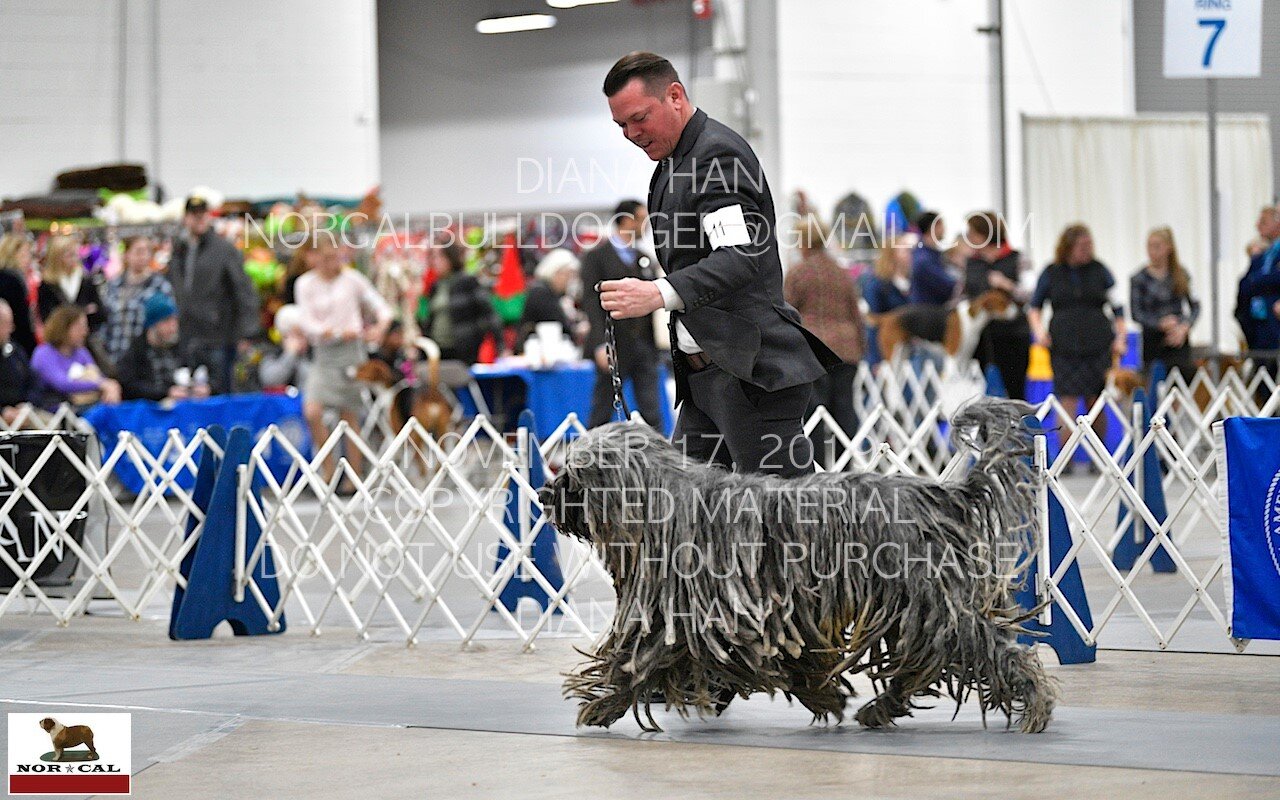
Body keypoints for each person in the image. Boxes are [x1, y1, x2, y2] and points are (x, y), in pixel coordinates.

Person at [598, 51, 840, 477]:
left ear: (675, 95)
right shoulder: (672, 165)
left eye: (639, 118)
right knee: (688, 521)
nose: (631, 134)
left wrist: (656, 293)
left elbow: (739, 256)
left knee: (785, 523)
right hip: (706, 381)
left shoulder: (716, 156)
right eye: (621, 126)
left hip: (750, 376)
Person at [295, 237, 392, 486]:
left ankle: (354, 477)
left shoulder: (353, 280)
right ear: (315, 257)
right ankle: (328, 472)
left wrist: (380, 327)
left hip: (351, 354)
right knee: (312, 411)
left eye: (337, 257)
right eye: (327, 258)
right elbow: (306, 321)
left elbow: (382, 307)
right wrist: (332, 331)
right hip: (324, 355)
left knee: (350, 416)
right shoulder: (305, 284)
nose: (333, 263)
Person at [1028, 224, 1126, 446]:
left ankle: (1099, 454)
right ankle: (1065, 457)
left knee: (1097, 400)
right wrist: (1039, 332)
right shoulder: (1051, 272)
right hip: (1063, 344)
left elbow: (1118, 307)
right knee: (1067, 400)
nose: (1087, 250)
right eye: (1082, 246)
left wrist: (1121, 337)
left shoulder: (1100, 270)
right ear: (1068, 247)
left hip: (1098, 343)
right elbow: (1034, 307)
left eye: (1089, 245)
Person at [784, 214, 865, 459]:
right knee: (844, 411)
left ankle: (817, 467)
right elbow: (855, 313)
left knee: (814, 412)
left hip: (814, 350)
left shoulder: (798, 273)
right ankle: (847, 466)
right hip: (846, 350)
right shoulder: (843, 274)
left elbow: (786, 311)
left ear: (804, 243)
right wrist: (861, 348)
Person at [581, 200, 664, 428]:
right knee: (602, 410)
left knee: (652, 410)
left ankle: (656, 461)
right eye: (642, 219)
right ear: (627, 220)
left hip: (645, 346)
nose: (646, 225)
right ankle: (592, 460)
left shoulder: (643, 257)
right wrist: (600, 344)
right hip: (613, 344)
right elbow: (590, 302)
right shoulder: (596, 257)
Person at [167, 195, 260, 394]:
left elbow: (244, 291)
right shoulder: (179, 250)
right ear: (186, 218)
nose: (199, 220)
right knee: (190, 393)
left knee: (219, 392)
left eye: (203, 215)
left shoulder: (223, 249)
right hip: (187, 334)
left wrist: (247, 332)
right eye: (194, 215)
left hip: (218, 335)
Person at [963, 211, 1032, 400]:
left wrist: (1006, 285)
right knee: (978, 392)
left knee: (1016, 390)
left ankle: (1018, 428)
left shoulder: (1017, 258)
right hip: (980, 336)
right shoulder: (971, 263)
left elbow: (1031, 294)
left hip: (1013, 334)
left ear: (985, 234)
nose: (968, 237)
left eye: (972, 233)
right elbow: (963, 294)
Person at [416, 240, 501, 365]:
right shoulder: (435, 286)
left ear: (450, 257)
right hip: (439, 349)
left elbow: (489, 314)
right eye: (433, 257)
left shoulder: (466, 281)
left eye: (440, 256)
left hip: (464, 349)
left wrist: (500, 345)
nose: (435, 261)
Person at [1130, 227, 1199, 379]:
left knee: (1180, 383)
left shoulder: (1182, 274)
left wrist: (1184, 327)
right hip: (1152, 341)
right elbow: (1136, 313)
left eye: (1157, 246)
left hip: (1178, 339)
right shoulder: (1138, 279)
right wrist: (1159, 324)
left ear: (1168, 248)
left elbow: (1195, 306)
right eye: (1149, 246)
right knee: (1153, 383)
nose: (1152, 251)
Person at [115, 293, 205, 402]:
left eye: (175, 320)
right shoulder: (136, 351)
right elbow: (129, 386)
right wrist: (165, 393)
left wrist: (204, 388)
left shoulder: (183, 347)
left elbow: (207, 372)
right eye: (167, 321)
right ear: (152, 324)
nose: (173, 327)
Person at [30, 305, 121, 410]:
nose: (85, 332)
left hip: (86, 405)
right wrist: (101, 385)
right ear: (64, 328)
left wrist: (111, 387)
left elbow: (97, 376)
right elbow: (62, 384)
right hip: (56, 407)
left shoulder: (81, 352)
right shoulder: (43, 354)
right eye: (80, 327)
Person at [101, 236, 174, 368]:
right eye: (139, 251)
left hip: (145, 359)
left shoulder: (159, 285)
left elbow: (168, 324)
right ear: (127, 254)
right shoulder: (114, 285)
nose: (144, 256)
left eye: (147, 251)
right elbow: (106, 319)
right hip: (114, 353)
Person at [1234, 205, 1280, 367]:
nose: (1257, 226)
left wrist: (1258, 280)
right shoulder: (1264, 253)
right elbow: (1246, 284)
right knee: (1262, 367)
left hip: (1274, 320)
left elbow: (1268, 279)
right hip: (1258, 321)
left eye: (1264, 222)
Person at [36, 235, 105, 335]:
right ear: (57, 258)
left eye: (75, 254)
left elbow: (100, 313)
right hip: (58, 340)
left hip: (85, 339)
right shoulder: (48, 284)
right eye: (70, 255)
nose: (75, 259)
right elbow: (47, 317)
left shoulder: (85, 281)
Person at [862, 236, 913, 364]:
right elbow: (873, 320)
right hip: (883, 345)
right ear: (892, 254)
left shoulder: (914, 282)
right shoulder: (876, 283)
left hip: (909, 345)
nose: (910, 254)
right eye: (905, 250)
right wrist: (876, 359)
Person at [520, 247, 579, 346]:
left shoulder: (553, 294)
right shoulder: (541, 294)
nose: (569, 280)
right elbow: (558, 324)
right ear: (556, 272)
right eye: (567, 275)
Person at [0, 299, 37, 426]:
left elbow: (34, 382)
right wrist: (3, 411)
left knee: (55, 429)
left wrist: (27, 404)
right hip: (3, 416)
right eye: (6, 324)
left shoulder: (16, 351)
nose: (12, 328)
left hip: (24, 412)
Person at [908, 211, 956, 305]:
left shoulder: (930, 255)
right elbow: (948, 285)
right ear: (934, 227)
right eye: (941, 224)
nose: (944, 229)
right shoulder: (924, 259)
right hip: (928, 314)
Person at [0, 233, 37, 355]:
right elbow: (22, 320)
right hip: (16, 342)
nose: (29, 260)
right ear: (13, 255)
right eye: (25, 254)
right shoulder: (13, 281)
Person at [258, 304, 310, 390]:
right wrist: (290, 354)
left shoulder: (313, 354)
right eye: (296, 335)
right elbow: (271, 380)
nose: (301, 340)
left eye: (303, 335)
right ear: (283, 337)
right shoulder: (272, 353)